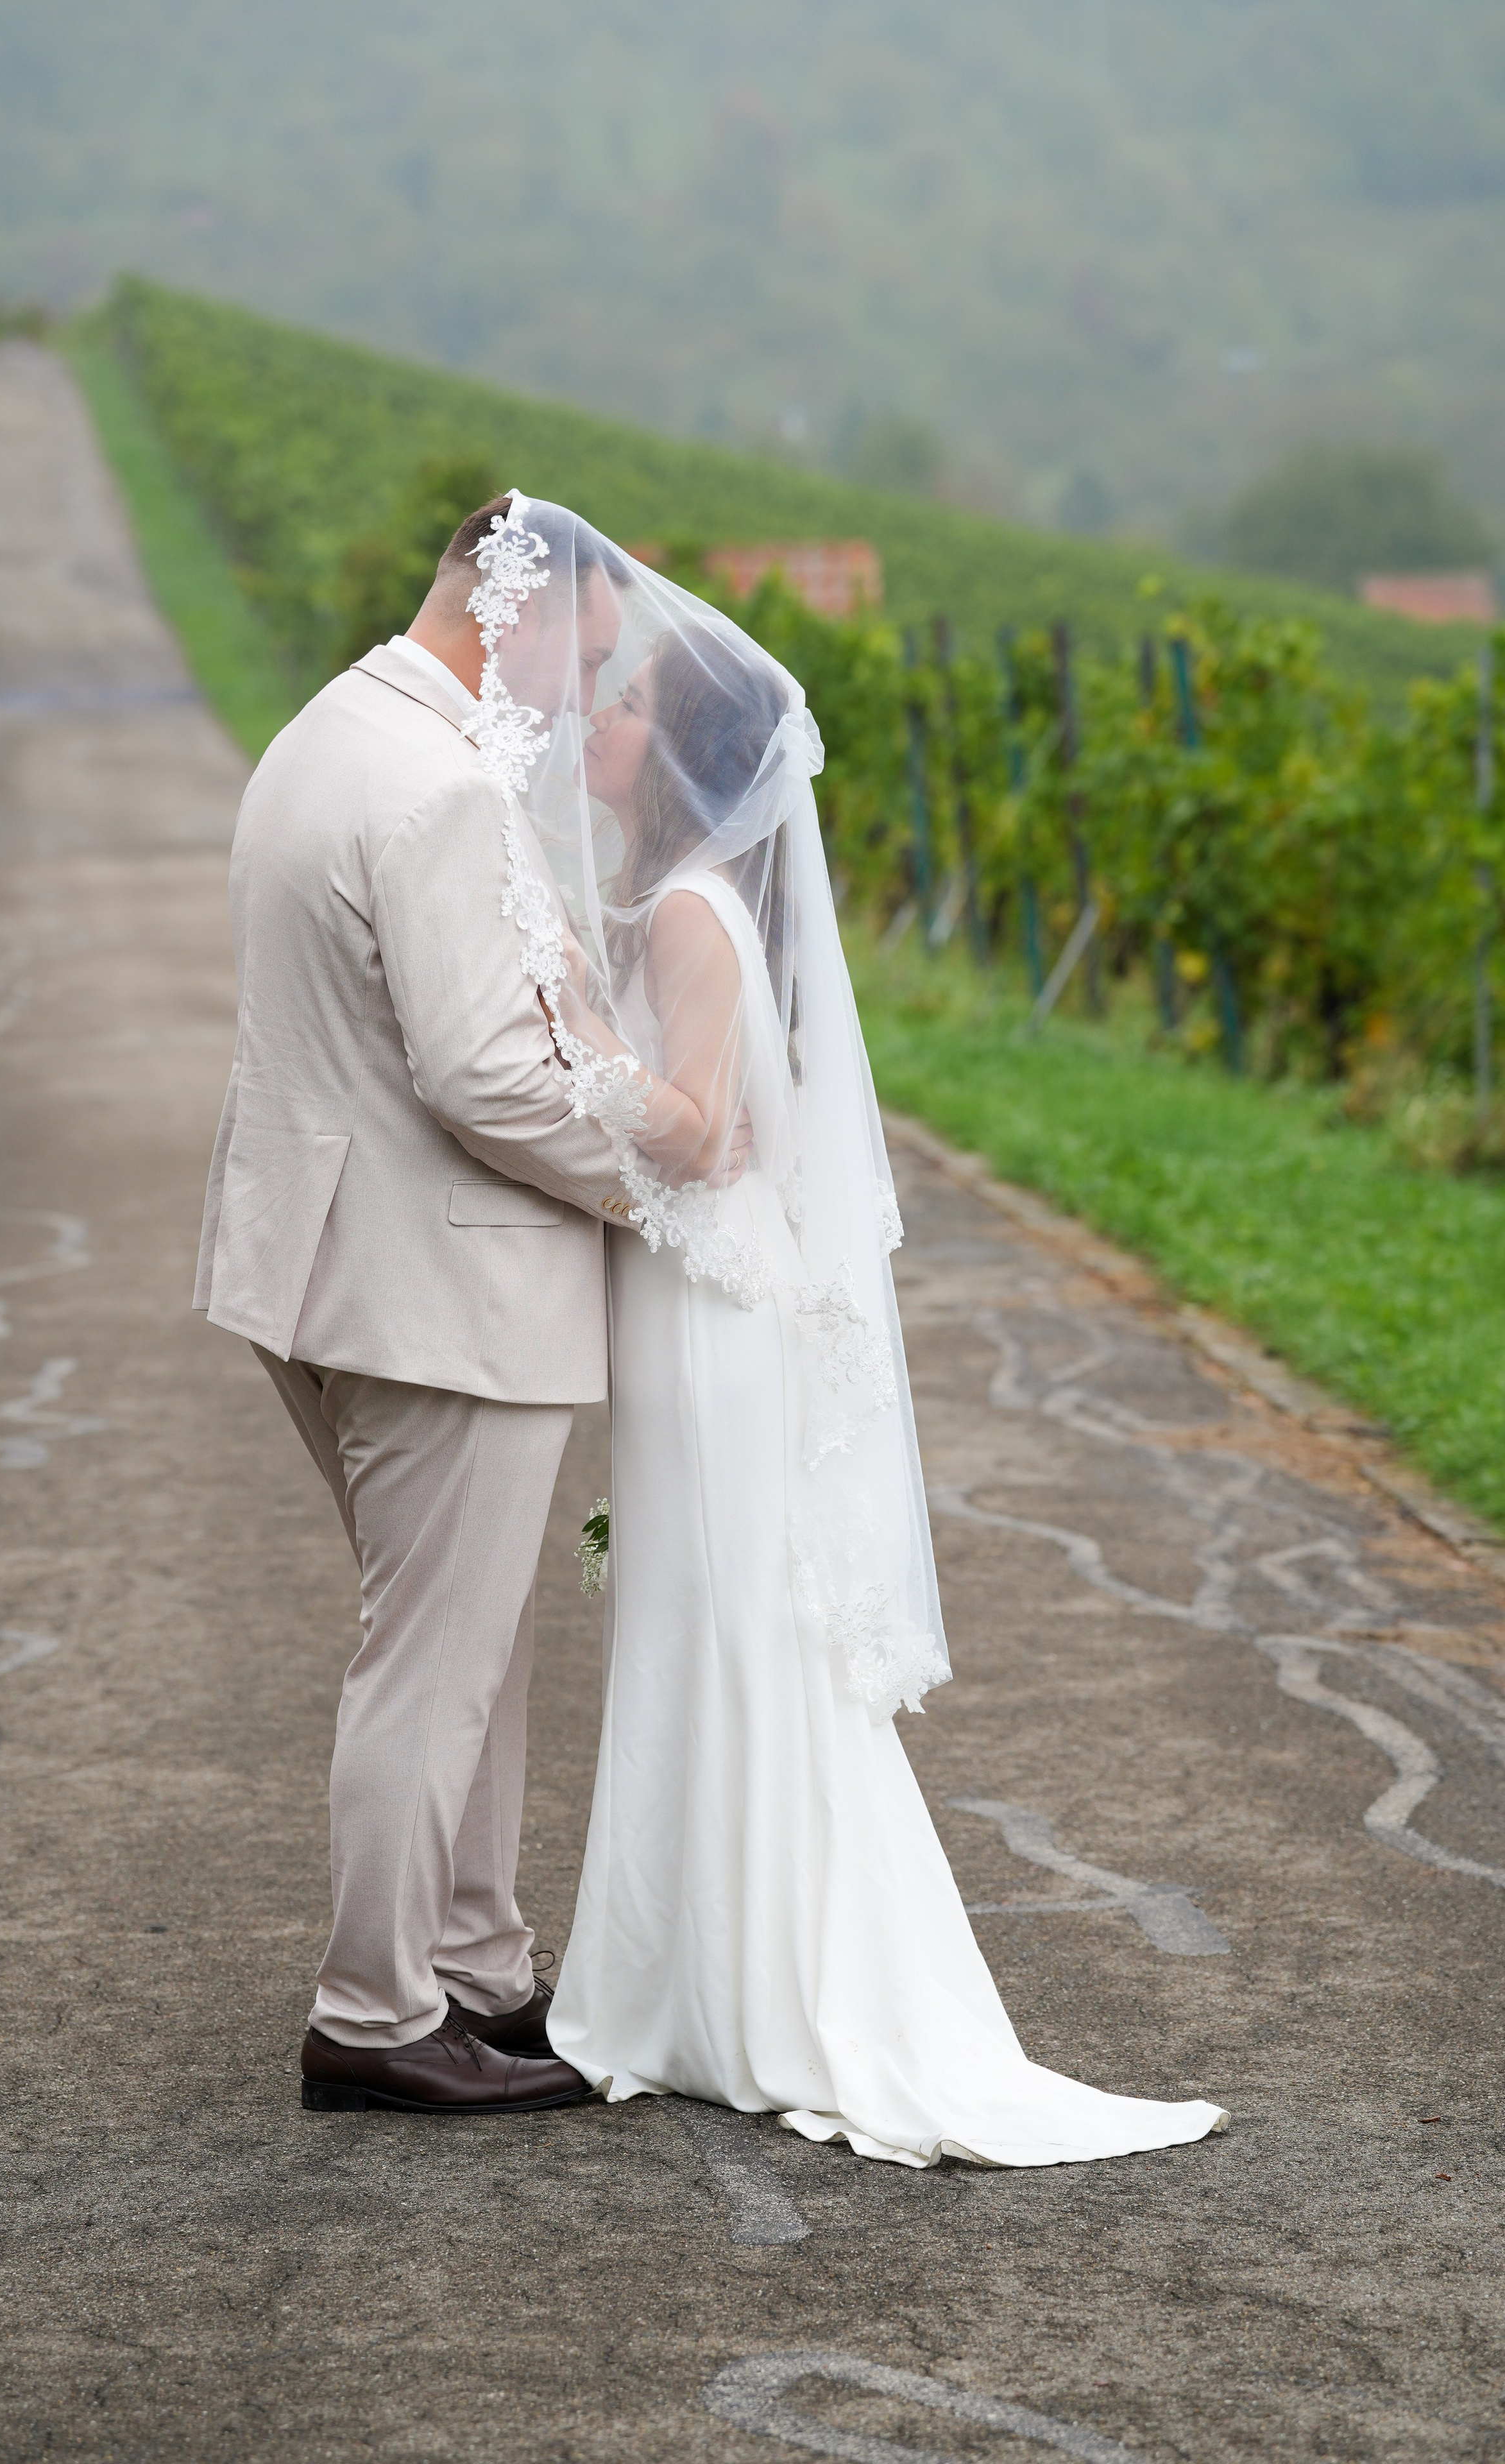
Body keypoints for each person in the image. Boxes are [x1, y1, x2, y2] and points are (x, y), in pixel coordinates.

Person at [470, 492, 1225, 2168]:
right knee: (714, 1617)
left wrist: (568, 1033)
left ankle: (727, 1990)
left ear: (681, 759)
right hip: (716, 1300)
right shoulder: (696, 900)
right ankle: (701, 1983)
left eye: (622, 711)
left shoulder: (679, 913)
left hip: (712, 1302)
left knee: (724, 1618)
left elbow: (704, 1129)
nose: (593, 728)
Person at [194, 497, 740, 2115]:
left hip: (327, 1260)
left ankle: (481, 1970)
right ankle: (371, 2018)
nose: (585, 699)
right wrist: (661, 1157)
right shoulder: (434, 788)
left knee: (469, 1645)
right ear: (509, 611)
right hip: (438, 1284)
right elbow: (486, 1073)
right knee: (432, 1658)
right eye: (580, 658)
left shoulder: (326, 734)